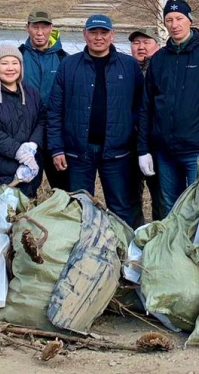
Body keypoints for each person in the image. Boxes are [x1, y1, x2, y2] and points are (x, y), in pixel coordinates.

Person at [48, 15, 144, 226]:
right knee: (79, 208)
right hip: (78, 152)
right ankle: (82, 254)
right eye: (93, 32)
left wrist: (132, 132)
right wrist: (57, 148)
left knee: (121, 207)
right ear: (85, 34)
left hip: (118, 153)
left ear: (112, 35)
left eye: (103, 33)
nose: (98, 38)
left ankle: (124, 252)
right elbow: (55, 110)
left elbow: (141, 107)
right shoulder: (69, 66)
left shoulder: (129, 66)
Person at [138, 0, 199, 214]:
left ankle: (197, 248)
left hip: (197, 150)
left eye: (179, 18)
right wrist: (144, 149)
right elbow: (147, 107)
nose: (174, 24)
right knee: (171, 208)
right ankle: (175, 248)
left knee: (198, 208)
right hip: (165, 151)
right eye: (169, 20)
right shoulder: (159, 59)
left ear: (190, 20)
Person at [0, 43, 46, 199]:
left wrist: (33, 145)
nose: (10, 68)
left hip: (28, 174)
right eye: (4, 63)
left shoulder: (32, 93)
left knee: (25, 221)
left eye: (15, 63)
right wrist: (18, 151)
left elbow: (42, 119)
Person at [19, 9, 68, 191]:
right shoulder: (17, 58)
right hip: (26, 134)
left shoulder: (64, 59)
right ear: (27, 28)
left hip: (56, 134)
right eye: (35, 27)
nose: (40, 32)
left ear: (51, 29)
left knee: (63, 189)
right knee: (25, 189)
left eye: (44, 27)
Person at [129, 27, 164, 220]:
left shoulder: (163, 68)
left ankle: (160, 239)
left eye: (146, 42)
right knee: (131, 197)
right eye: (136, 43)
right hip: (129, 144)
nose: (141, 47)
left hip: (157, 144)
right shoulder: (123, 68)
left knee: (161, 197)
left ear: (157, 45)